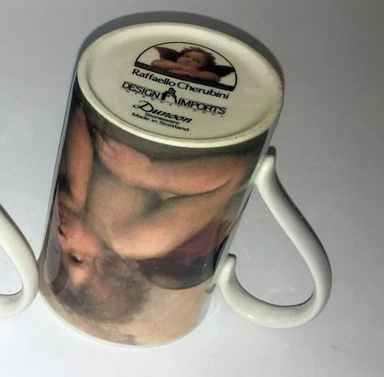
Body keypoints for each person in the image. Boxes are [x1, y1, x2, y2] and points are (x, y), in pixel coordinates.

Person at [45, 103, 253, 344]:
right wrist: (148, 173)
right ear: (112, 263)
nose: (61, 239)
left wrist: (76, 192)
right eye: (74, 257)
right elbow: (238, 174)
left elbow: (80, 113)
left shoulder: (77, 213)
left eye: (58, 252)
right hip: (182, 135)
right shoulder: (134, 240)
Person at [150, 46, 222, 82]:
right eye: (186, 56)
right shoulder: (169, 63)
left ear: (203, 66)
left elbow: (215, 77)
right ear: (178, 57)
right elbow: (155, 63)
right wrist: (180, 67)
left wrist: (196, 74)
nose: (188, 60)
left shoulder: (198, 72)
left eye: (196, 61)